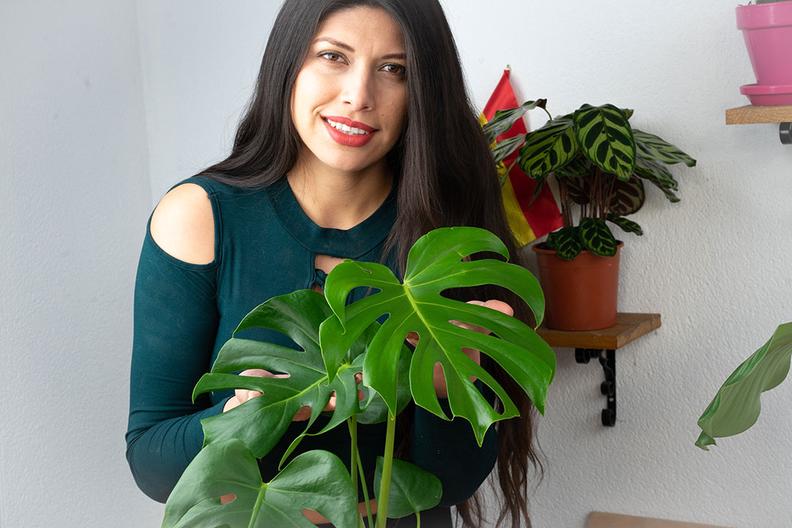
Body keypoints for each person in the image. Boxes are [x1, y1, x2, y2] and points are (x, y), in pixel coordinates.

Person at [125, 1, 542, 527]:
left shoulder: (445, 234)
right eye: (332, 56)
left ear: (423, 92)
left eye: (394, 70)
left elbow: (452, 481)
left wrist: (440, 384)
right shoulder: (200, 218)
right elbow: (150, 460)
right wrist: (241, 416)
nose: (358, 97)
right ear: (288, 64)